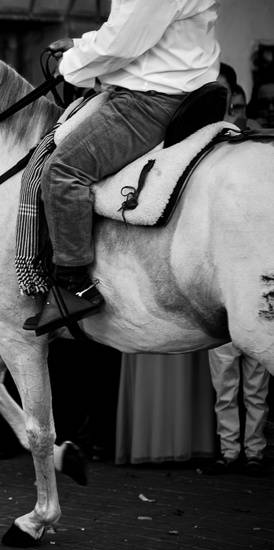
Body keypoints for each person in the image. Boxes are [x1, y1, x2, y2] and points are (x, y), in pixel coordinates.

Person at [29, 0, 220, 333]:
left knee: (62, 171)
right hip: (177, 86)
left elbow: (122, 42)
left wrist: (72, 63)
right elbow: (136, 28)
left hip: (151, 98)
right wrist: (82, 44)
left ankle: (74, 285)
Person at [205, 343, 270, 476]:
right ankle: (232, 451)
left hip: (254, 327)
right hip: (227, 330)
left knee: (255, 396)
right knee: (227, 396)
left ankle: (251, 453)